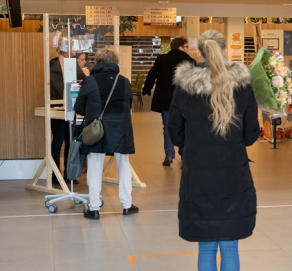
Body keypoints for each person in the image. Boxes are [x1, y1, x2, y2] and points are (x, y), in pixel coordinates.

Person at [168, 30, 260, 271]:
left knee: (206, 245)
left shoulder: (185, 86)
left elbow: (174, 130)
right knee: (230, 245)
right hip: (233, 172)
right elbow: (251, 134)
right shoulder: (242, 85)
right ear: (225, 51)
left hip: (198, 171)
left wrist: (188, 146)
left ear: (198, 53)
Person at [74, 48, 138, 220]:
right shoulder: (123, 81)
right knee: (123, 165)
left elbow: (78, 108)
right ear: (115, 62)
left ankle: (94, 208)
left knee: (95, 166)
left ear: (98, 62)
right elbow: (129, 104)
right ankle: (127, 205)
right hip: (120, 129)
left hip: (97, 129)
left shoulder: (90, 81)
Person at [142, 37, 196, 166]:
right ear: (180, 47)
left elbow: (152, 75)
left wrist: (146, 89)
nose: (188, 49)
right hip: (184, 101)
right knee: (184, 127)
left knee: (167, 127)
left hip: (166, 100)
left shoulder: (162, 59)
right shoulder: (190, 61)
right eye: (186, 46)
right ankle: (184, 155)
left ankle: (169, 156)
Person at [50, 36, 86, 185]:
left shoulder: (73, 64)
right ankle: (55, 174)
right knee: (58, 141)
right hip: (57, 108)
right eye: (72, 47)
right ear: (64, 49)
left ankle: (68, 174)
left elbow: (83, 80)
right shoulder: (52, 64)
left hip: (72, 108)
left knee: (71, 141)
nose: (75, 50)